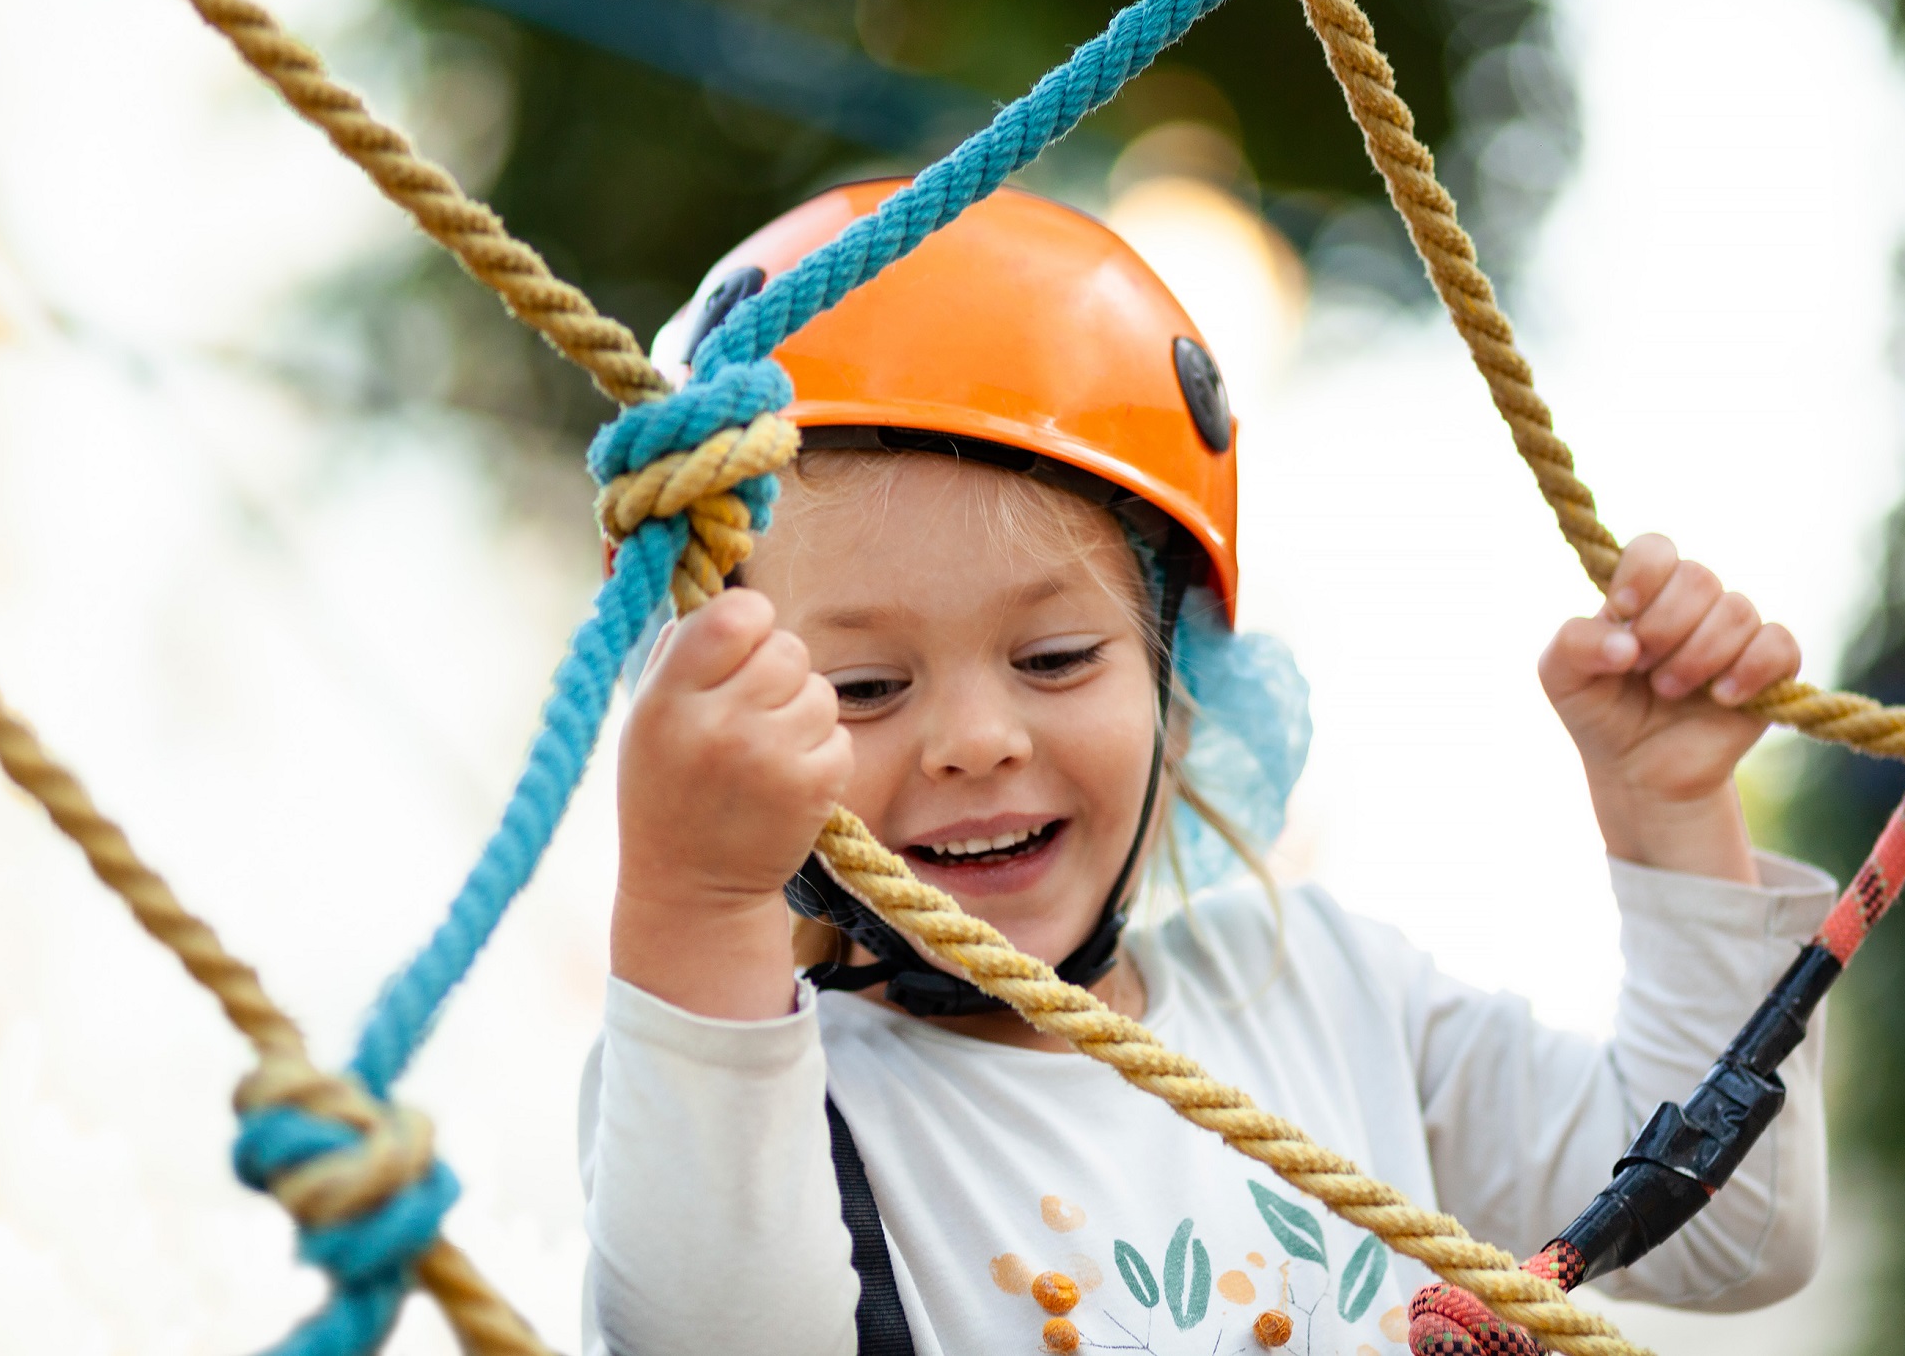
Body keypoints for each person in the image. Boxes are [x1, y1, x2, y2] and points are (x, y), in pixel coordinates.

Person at [580, 181, 1833, 1356]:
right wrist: (697, 902)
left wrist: (1669, 812)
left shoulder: (1327, 991)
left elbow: (1727, 1227)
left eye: (1058, 657)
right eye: (862, 688)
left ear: (1181, 688)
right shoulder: (757, 1106)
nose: (979, 738)